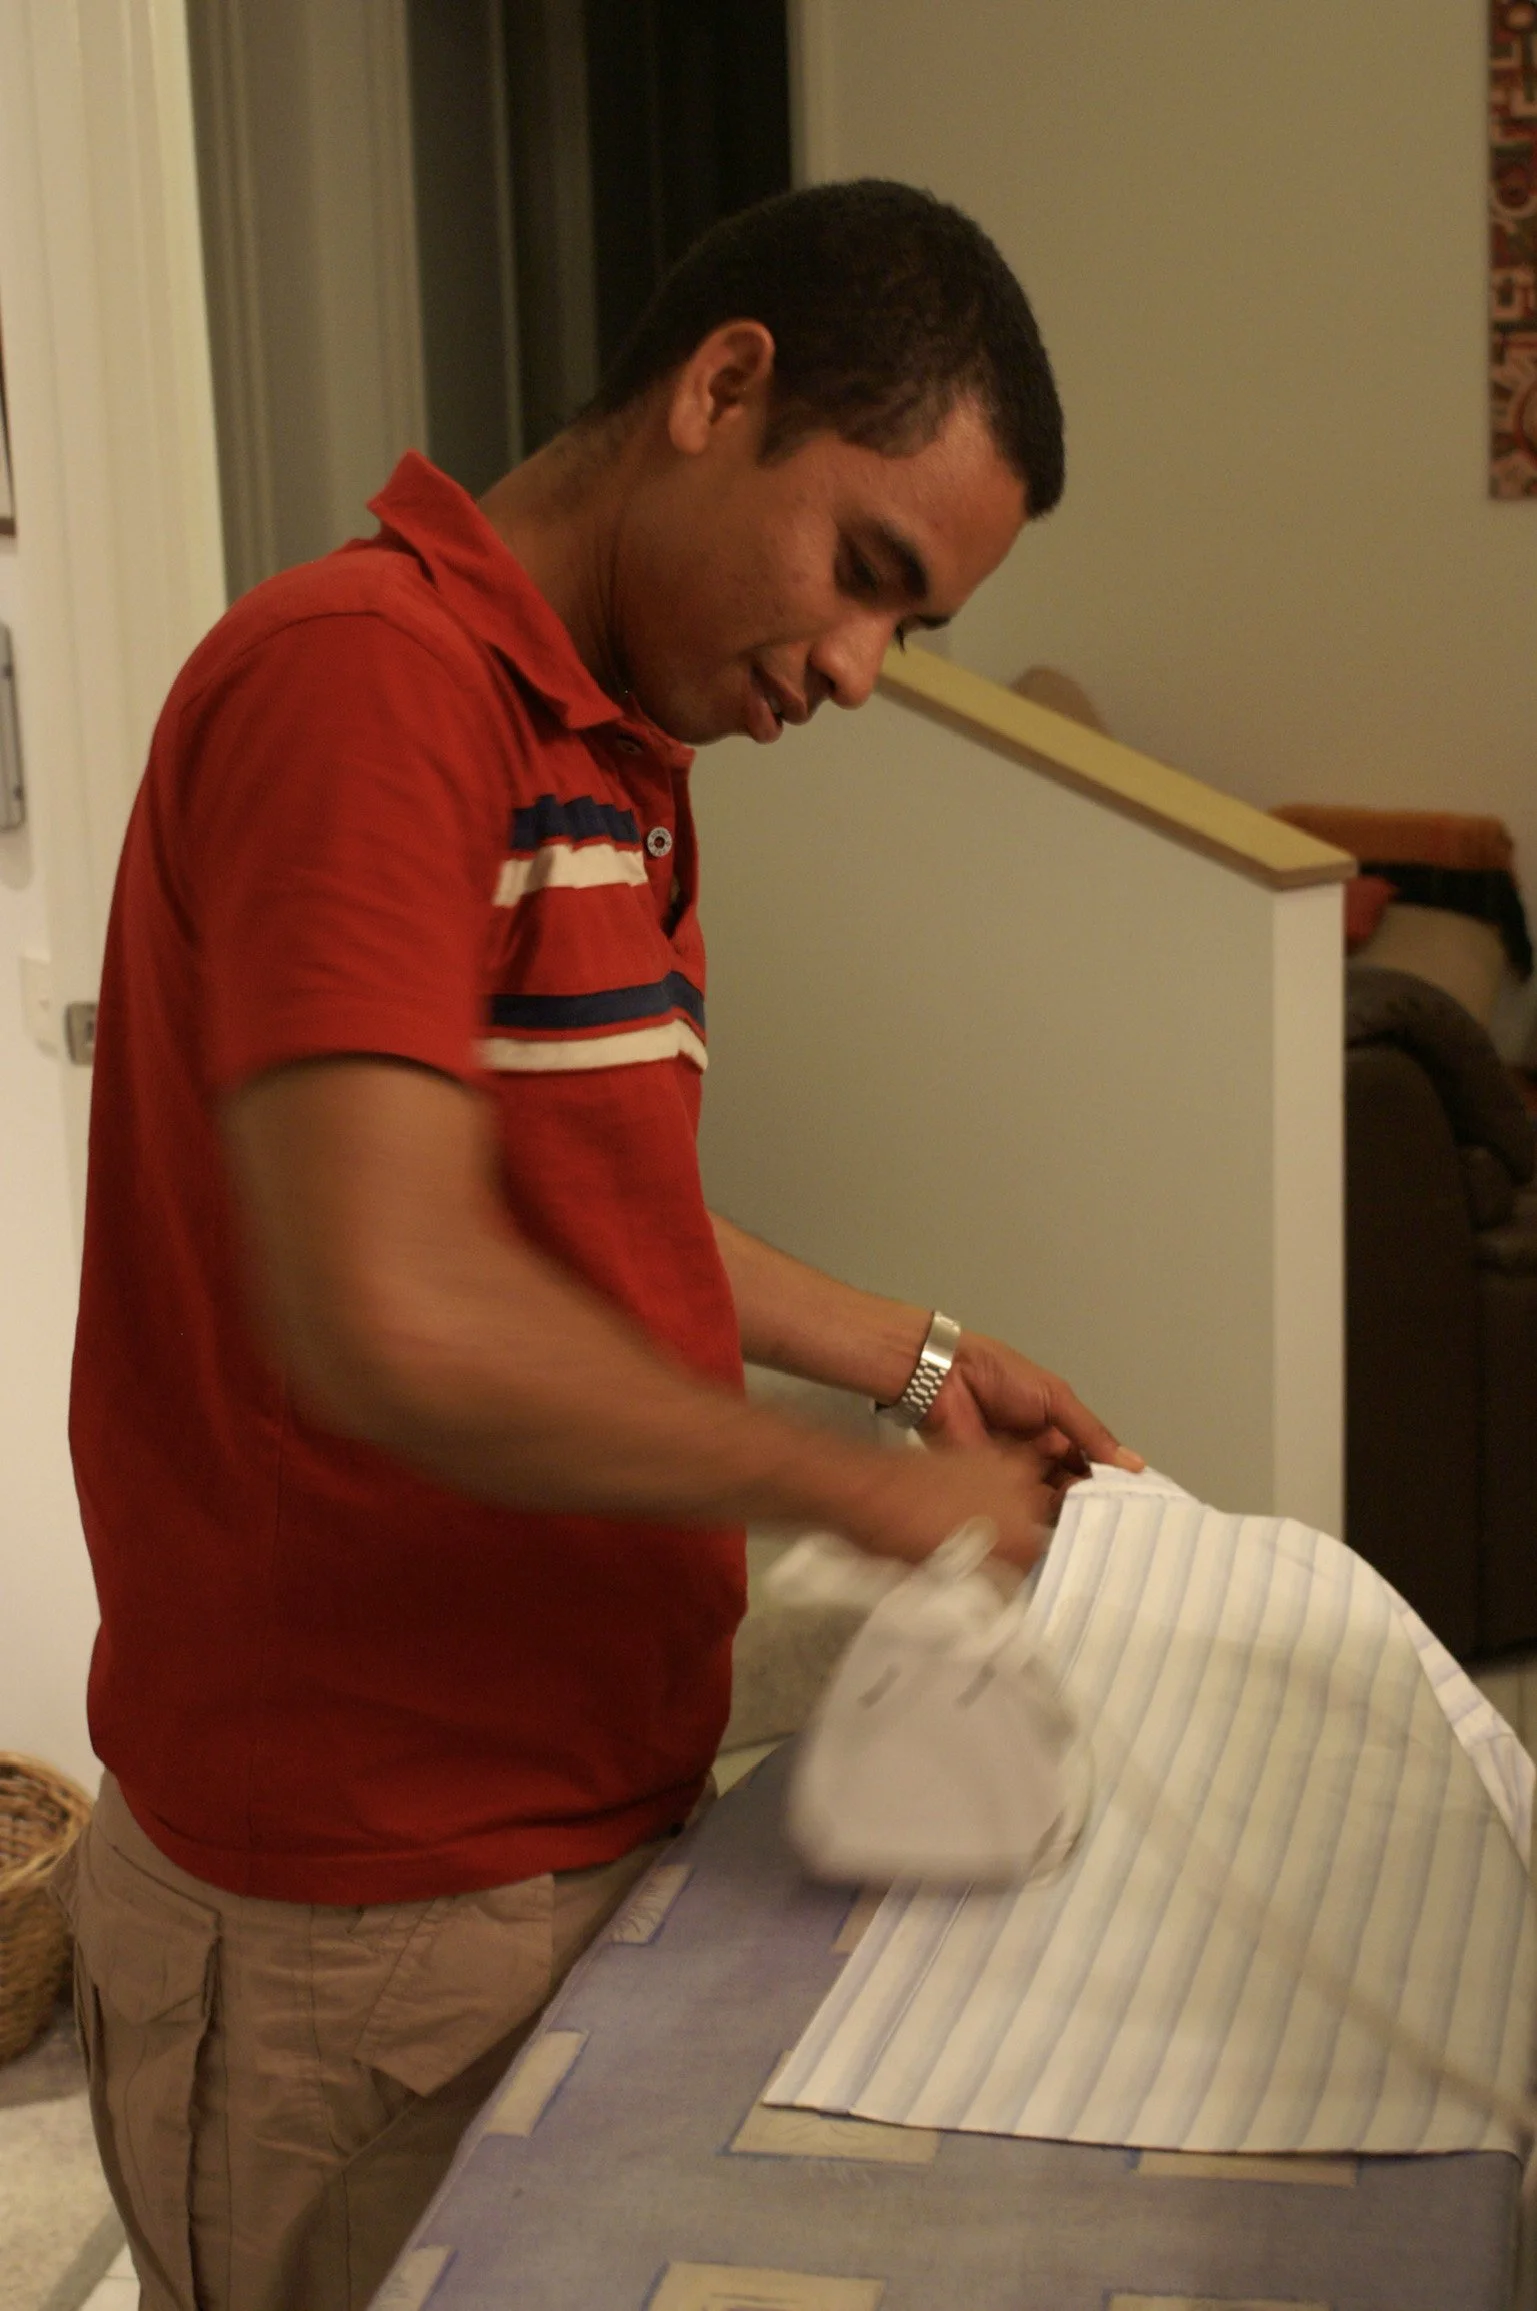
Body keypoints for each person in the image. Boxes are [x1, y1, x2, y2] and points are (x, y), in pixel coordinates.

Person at [55, 178, 1139, 2310]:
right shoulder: (368, 687)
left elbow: (594, 1220)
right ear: (721, 390)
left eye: (910, 631)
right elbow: (391, 1308)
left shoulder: (615, 757)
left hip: (564, 1820)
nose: (858, 670)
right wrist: (861, 1498)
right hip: (358, 1907)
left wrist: (920, 1356)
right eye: (867, 576)